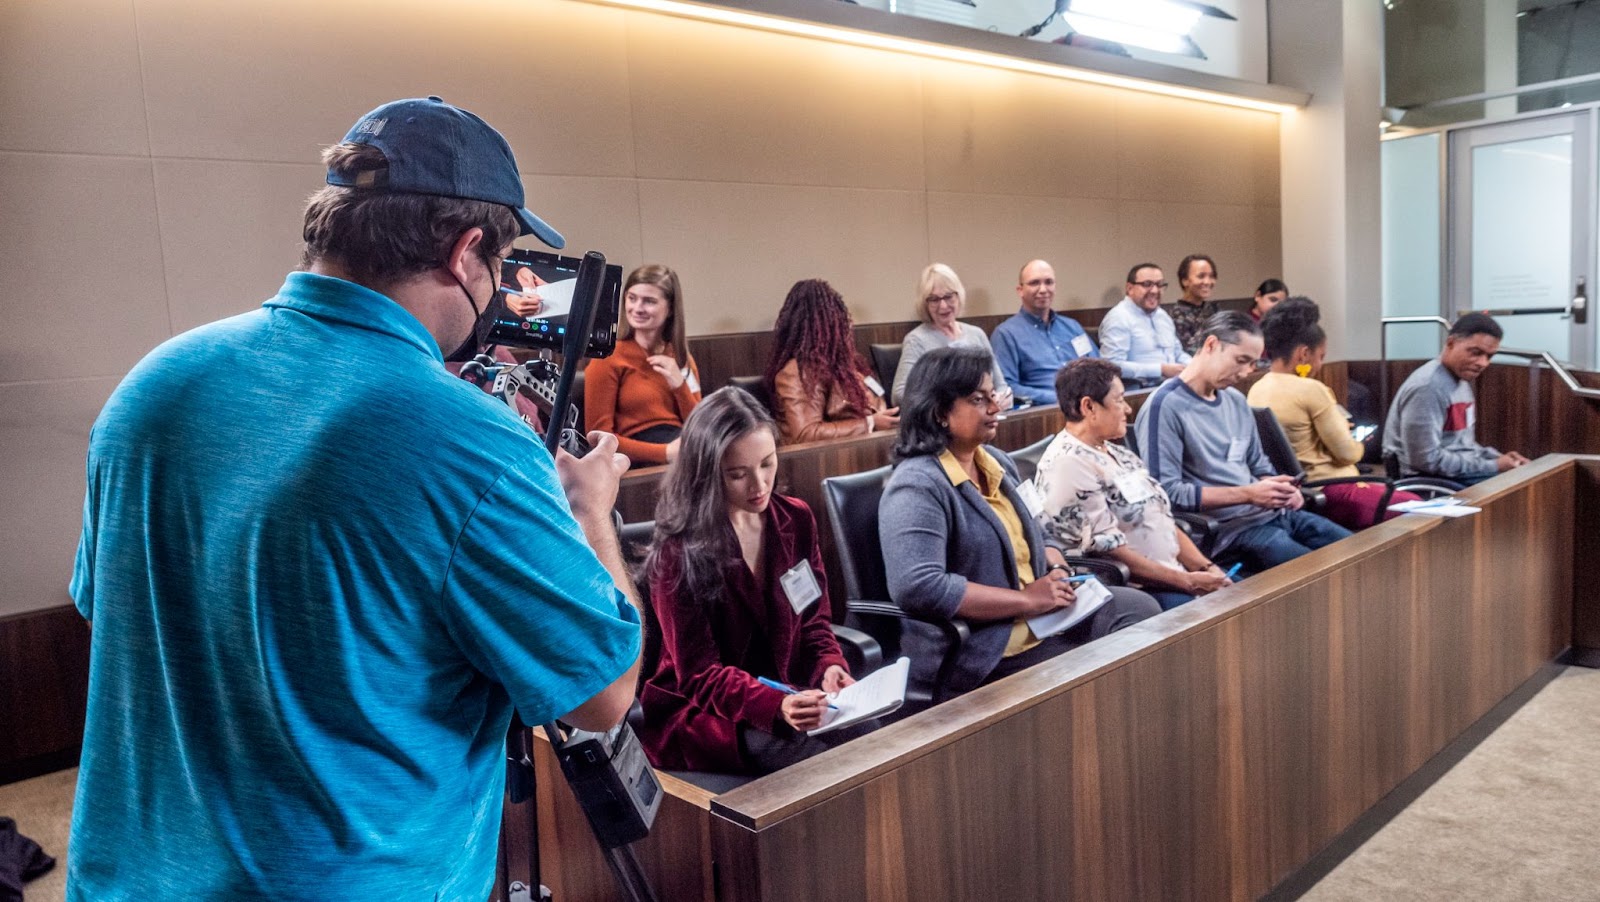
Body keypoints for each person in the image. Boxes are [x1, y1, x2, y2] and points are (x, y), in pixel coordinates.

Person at [66, 97, 643, 900]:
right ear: (465, 252)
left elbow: (114, 612)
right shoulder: (467, 439)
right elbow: (600, 695)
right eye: (502, 262)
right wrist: (589, 514)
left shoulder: (153, 383)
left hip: (128, 879)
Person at [878, 347, 1160, 699]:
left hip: (1040, 617)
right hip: (985, 642)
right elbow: (920, 586)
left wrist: (1056, 564)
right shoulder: (917, 486)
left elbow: (1037, 529)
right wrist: (1026, 600)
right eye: (978, 399)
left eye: (992, 395)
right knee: (1096, 672)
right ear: (939, 413)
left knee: (1141, 610)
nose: (995, 407)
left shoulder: (995, 461)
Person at [637, 387, 872, 774]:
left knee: (873, 738)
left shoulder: (795, 518)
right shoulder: (678, 551)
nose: (759, 485)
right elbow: (699, 676)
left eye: (767, 464)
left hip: (790, 692)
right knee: (818, 764)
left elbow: (813, 622)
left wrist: (829, 667)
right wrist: (776, 704)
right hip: (707, 713)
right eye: (737, 474)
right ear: (706, 474)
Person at [1134, 311, 1352, 572]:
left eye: (1253, 363)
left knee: (1355, 550)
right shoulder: (1165, 406)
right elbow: (1167, 493)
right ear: (1211, 345)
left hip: (1272, 515)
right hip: (1228, 532)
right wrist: (1248, 494)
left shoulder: (1235, 400)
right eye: (1241, 360)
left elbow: (1258, 464)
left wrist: (1280, 488)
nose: (1246, 372)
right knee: (1320, 572)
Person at [1036, 359, 1231, 610]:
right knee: (1215, 613)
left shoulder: (1116, 452)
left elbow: (1160, 517)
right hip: (1130, 587)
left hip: (1172, 574)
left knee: (1240, 594)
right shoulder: (1069, 463)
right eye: (1119, 400)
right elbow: (1109, 551)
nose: (1128, 409)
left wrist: (1206, 567)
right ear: (1089, 406)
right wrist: (1187, 582)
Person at [1248, 298, 1421, 529]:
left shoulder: (1257, 389)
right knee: (1418, 507)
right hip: (1331, 488)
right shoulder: (1311, 389)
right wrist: (1354, 439)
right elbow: (1348, 454)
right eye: (1321, 356)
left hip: (1299, 491)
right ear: (1303, 354)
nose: (1320, 364)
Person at [1383, 312, 1530, 484]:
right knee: (1515, 489)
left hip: (1451, 474)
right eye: (1476, 353)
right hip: (1425, 480)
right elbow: (1425, 460)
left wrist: (1497, 458)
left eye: (1489, 356)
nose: (1483, 363)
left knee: (1525, 478)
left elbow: (1463, 445)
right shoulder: (1427, 388)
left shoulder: (1460, 380)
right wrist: (1493, 466)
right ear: (1451, 343)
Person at [583, 264, 702, 466]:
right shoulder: (608, 357)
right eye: (632, 298)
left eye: (649, 301)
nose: (637, 308)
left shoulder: (681, 357)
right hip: (638, 458)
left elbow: (702, 427)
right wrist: (664, 453)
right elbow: (598, 437)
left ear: (670, 308)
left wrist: (679, 386)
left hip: (683, 448)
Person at [765, 278, 897, 444]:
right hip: (826, 458)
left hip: (866, 448)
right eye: (839, 320)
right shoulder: (797, 372)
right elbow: (806, 434)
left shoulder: (847, 365)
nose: (847, 326)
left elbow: (875, 399)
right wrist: (870, 424)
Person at [891, 263, 1013, 408]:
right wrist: (949, 406)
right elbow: (900, 394)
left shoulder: (977, 334)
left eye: (948, 297)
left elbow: (1001, 386)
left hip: (986, 415)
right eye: (934, 299)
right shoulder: (917, 340)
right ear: (925, 304)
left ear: (958, 296)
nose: (943, 306)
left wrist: (1001, 398)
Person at [991, 259, 1099, 406]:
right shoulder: (1006, 334)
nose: (1043, 289)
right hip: (1045, 411)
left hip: (1089, 405)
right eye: (1034, 283)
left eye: (1049, 282)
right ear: (1020, 290)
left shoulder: (1072, 327)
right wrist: (1059, 398)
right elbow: (1007, 388)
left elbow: (1099, 367)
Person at [1096, 262, 1191, 388]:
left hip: (1173, 386)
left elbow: (1177, 353)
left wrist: (1195, 366)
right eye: (1147, 284)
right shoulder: (1118, 318)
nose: (1155, 290)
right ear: (1130, 288)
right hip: (1139, 391)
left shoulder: (1162, 316)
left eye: (1159, 284)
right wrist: (1160, 370)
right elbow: (1112, 366)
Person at [1171, 253, 1219, 355]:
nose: (1207, 282)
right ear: (1185, 281)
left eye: (1211, 276)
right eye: (1201, 276)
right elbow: (1188, 353)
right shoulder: (1177, 316)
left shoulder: (1213, 309)